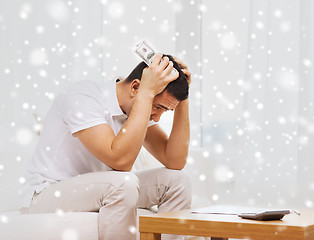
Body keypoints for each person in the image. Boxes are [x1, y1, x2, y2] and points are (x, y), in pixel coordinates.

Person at [20, 53, 192, 240]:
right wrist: (147, 94)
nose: (157, 117)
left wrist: (183, 100)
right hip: (46, 195)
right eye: (158, 107)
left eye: (164, 110)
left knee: (177, 181)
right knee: (123, 183)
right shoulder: (83, 97)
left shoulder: (137, 105)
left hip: (99, 190)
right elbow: (120, 161)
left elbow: (175, 160)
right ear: (135, 87)